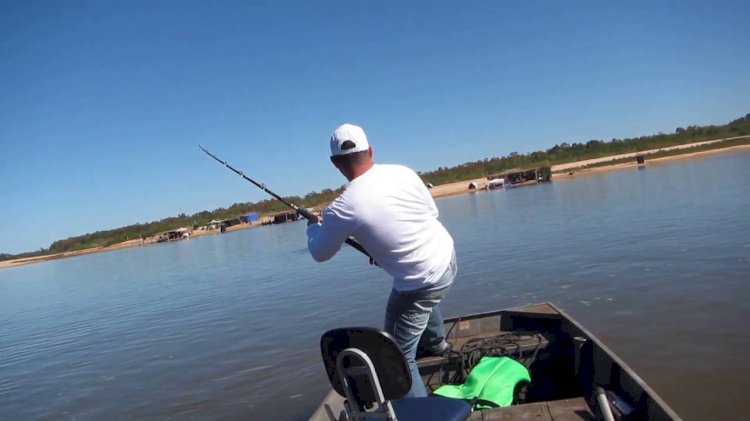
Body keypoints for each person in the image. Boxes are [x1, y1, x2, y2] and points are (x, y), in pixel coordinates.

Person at [306, 123, 457, 398]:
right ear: (371, 150)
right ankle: (437, 345)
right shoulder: (403, 171)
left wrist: (314, 226)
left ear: (335, 163)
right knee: (423, 297)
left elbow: (320, 253)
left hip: (420, 283)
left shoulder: (341, 208)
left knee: (397, 359)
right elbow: (430, 213)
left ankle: (419, 416)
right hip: (447, 258)